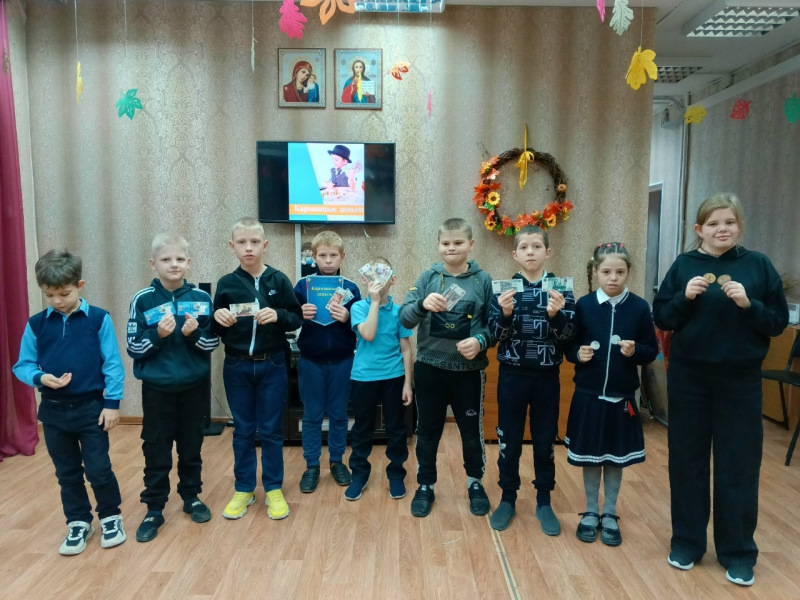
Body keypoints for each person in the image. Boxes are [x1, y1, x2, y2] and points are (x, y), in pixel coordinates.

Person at [652, 193, 788, 587]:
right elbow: (662, 316)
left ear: (739, 226)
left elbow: (777, 322)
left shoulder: (758, 265)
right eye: (713, 223)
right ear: (699, 229)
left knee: (738, 466)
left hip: (740, 381)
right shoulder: (684, 265)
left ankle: (738, 552)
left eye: (729, 222)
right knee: (687, 462)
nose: (721, 229)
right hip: (689, 379)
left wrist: (750, 305)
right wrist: (684, 298)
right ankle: (687, 543)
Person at [13, 249, 127, 555]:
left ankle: (111, 517)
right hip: (53, 412)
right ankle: (78, 521)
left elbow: (113, 364)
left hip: (92, 409)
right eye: (49, 295)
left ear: (79, 285)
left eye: (64, 293)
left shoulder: (99, 319)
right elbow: (22, 365)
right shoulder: (36, 324)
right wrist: (40, 378)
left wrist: (112, 404)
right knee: (67, 473)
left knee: (99, 469)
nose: (57, 301)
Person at [126, 233, 220, 542]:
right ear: (153, 264)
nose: (174, 264)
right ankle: (154, 508)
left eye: (180, 259)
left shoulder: (202, 299)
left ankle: (191, 496)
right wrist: (157, 336)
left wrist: (194, 335)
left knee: (191, 446)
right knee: (156, 447)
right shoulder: (142, 300)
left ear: (189, 263)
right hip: (158, 390)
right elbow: (133, 348)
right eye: (166, 259)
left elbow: (211, 344)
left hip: (194, 389)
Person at [563, 242, 657, 547]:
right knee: (591, 457)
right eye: (606, 272)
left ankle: (610, 513)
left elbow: (651, 350)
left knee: (615, 459)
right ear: (596, 272)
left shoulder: (640, 307)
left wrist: (635, 351)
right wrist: (577, 354)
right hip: (588, 395)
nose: (613, 277)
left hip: (621, 399)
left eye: (620, 272)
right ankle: (591, 511)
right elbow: (569, 345)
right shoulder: (584, 305)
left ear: (628, 272)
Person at [399, 217, 494, 518]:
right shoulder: (428, 277)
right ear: (438, 245)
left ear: (471, 245)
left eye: (458, 243)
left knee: (471, 432)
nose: (451, 248)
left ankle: (475, 483)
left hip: (469, 373)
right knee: (427, 431)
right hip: (430, 369)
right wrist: (422, 305)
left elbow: (495, 326)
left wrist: (480, 341)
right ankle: (425, 485)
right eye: (445, 243)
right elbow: (404, 318)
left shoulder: (483, 280)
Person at [486, 226, 576, 533]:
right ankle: (508, 497)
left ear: (547, 252)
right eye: (524, 247)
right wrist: (505, 314)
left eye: (536, 246)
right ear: (515, 254)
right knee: (509, 439)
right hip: (512, 376)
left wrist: (557, 316)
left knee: (544, 440)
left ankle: (544, 501)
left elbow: (569, 336)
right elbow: (494, 337)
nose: (530, 252)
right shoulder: (503, 290)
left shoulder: (561, 290)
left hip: (547, 377)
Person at [213, 217, 303, 520]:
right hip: (236, 365)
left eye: (254, 242)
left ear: (265, 245)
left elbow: (295, 317)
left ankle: (273, 488)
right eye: (242, 242)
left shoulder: (278, 280)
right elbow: (214, 327)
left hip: (273, 364)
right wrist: (218, 319)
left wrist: (278, 315)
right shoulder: (226, 283)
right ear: (232, 246)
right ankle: (244, 488)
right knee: (243, 430)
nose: (248, 248)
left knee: (271, 430)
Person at [293, 230, 361, 493]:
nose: (329, 260)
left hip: (343, 361)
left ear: (342, 256)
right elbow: (289, 318)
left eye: (333, 255)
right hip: (311, 361)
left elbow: (361, 324)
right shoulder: (302, 286)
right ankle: (312, 465)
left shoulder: (351, 288)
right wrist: (299, 313)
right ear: (314, 257)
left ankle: (336, 461)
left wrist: (348, 318)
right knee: (311, 415)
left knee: (339, 414)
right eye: (323, 255)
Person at [345, 257, 414, 501]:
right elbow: (368, 334)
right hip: (363, 377)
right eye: (371, 276)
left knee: (396, 428)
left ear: (392, 279)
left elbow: (406, 348)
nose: (377, 281)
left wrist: (407, 383)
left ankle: (396, 474)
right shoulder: (357, 307)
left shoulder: (399, 311)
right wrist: (374, 302)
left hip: (394, 376)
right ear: (365, 280)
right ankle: (359, 475)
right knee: (362, 428)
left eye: (382, 275)